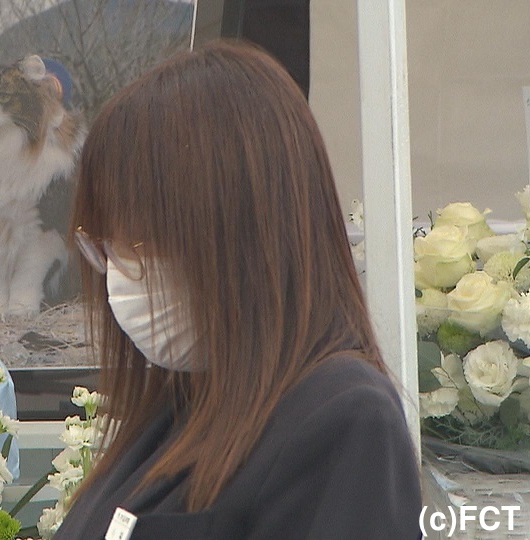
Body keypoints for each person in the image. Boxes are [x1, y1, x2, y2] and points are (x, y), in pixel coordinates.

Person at [55, 41, 422, 539]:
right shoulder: (186, 396)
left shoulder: (342, 420)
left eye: (138, 244)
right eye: (106, 247)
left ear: (233, 231)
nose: (117, 274)